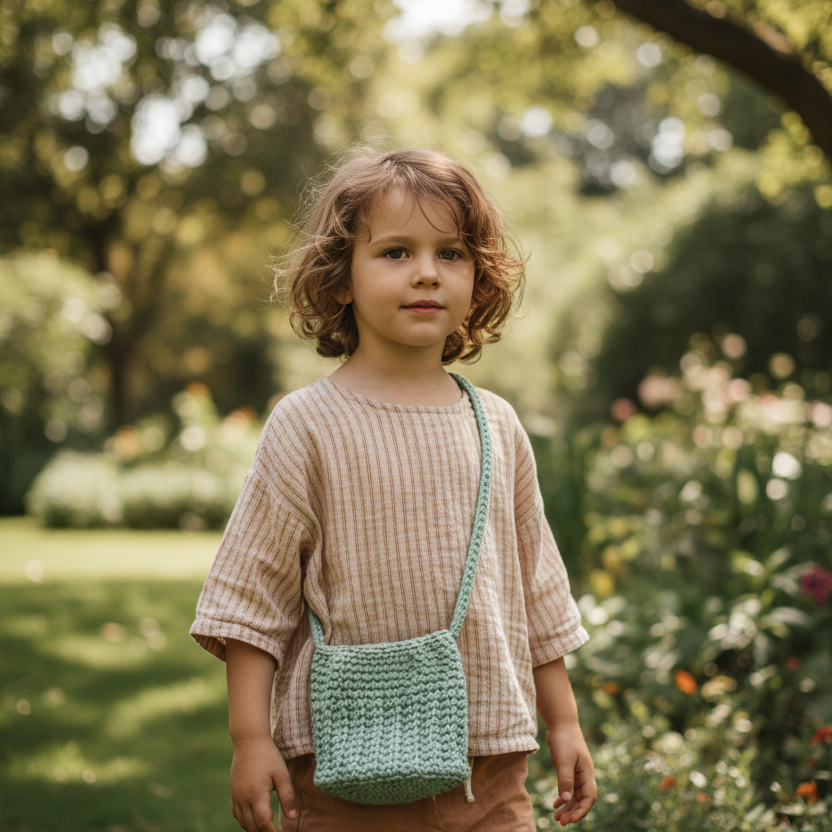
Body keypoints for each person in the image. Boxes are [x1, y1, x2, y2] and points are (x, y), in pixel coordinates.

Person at [190, 147, 596, 832]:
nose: (428, 273)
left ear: (479, 277)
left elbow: (537, 592)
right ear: (341, 278)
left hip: (489, 771)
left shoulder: (494, 423)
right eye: (397, 253)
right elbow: (250, 597)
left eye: (453, 253)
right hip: (341, 770)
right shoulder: (307, 424)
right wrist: (250, 740)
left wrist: (564, 722)